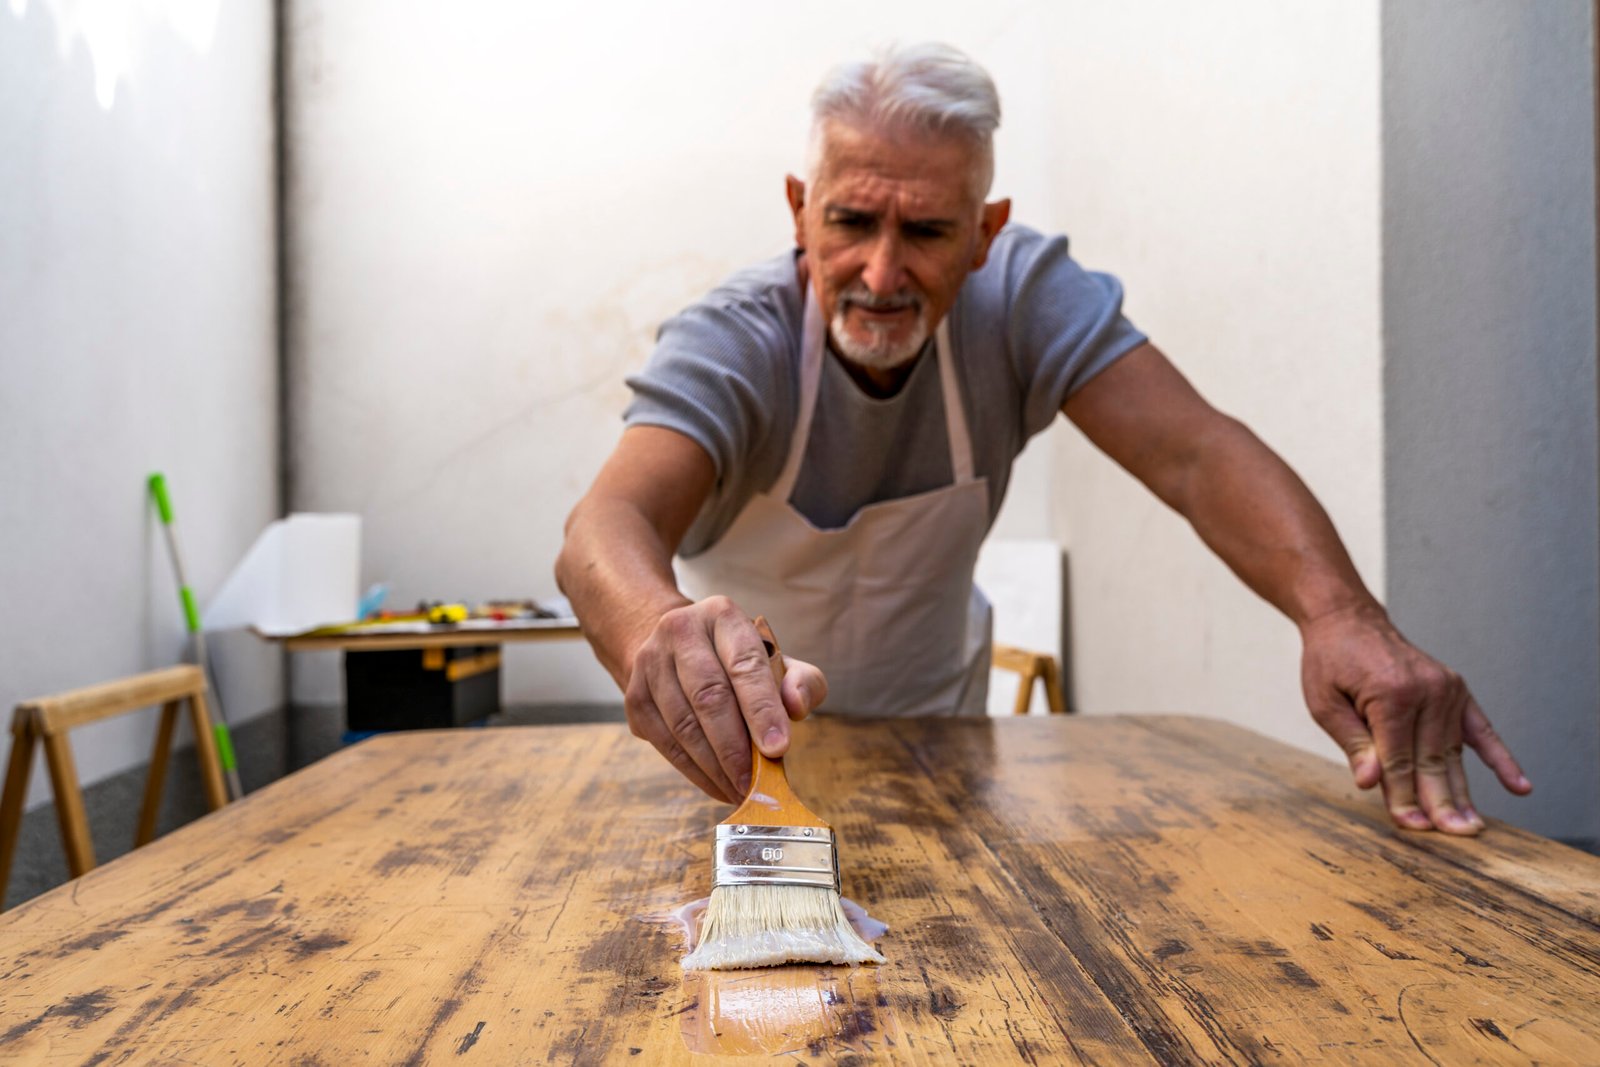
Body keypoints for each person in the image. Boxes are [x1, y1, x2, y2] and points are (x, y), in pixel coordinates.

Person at [555, 42, 1530, 834]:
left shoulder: (1020, 298)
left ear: (985, 233)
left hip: (938, 756)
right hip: (729, 768)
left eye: (928, 232)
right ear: (798, 211)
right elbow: (609, 522)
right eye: (850, 221)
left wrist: (1341, 614)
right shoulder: (738, 337)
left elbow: (1194, 453)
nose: (882, 273)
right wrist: (654, 630)